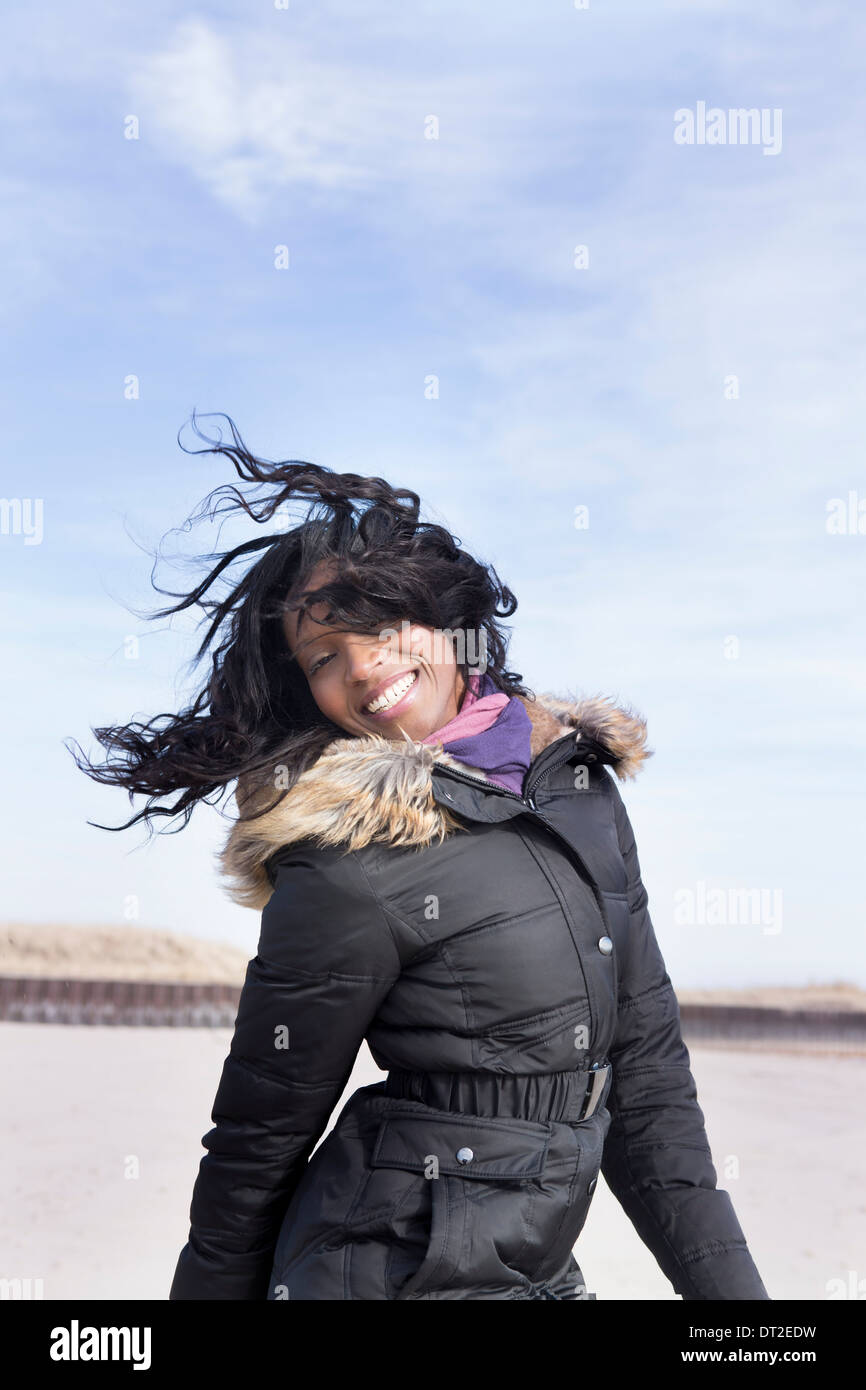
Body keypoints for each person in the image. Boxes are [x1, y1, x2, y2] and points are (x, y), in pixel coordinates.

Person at [71, 415, 770, 1301]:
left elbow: (648, 1084)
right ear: (311, 692)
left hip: (535, 1269)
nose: (362, 668)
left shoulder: (579, 789)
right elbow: (261, 1134)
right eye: (325, 657)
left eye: (378, 621)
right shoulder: (346, 852)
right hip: (392, 1270)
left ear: (440, 610)